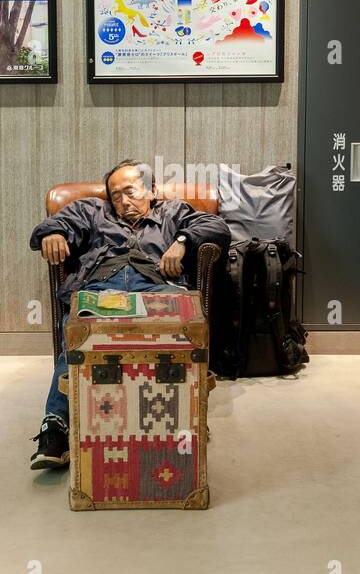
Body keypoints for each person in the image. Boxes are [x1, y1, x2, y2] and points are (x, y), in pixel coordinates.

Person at [28, 159, 231, 470]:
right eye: (115, 195)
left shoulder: (173, 211)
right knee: (77, 332)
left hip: (158, 287)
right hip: (102, 289)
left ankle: (188, 417)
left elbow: (216, 227)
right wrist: (51, 233)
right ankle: (55, 428)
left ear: (150, 191)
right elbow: (58, 222)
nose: (122, 201)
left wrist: (181, 241)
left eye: (130, 191)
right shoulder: (92, 211)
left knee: (188, 326)